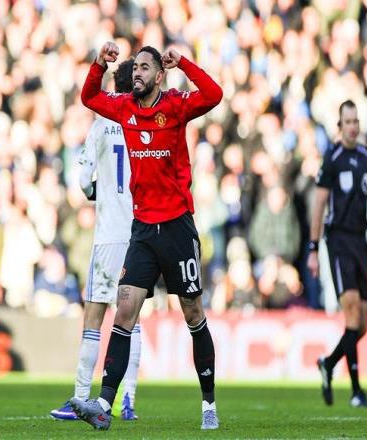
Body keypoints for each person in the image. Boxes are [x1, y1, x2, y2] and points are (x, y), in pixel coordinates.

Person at [69, 42, 223, 431]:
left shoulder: (176, 106)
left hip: (176, 227)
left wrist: (184, 62)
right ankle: (103, 403)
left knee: (193, 312)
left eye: (144, 67)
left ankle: (208, 403)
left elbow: (214, 94)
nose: (136, 72)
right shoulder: (125, 109)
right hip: (142, 230)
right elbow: (89, 97)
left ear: (159, 75)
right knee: (124, 311)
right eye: (134, 67)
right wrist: (99, 64)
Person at [50, 59, 142, 421]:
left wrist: (97, 192)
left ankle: (79, 397)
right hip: (139, 235)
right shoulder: (143, 123)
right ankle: (128, 399)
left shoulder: (103, 123)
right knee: (132, 318)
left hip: (108, 237)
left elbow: (82, 180)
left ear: (113, 87)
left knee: (94, 317)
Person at [308, 100, 367, 407]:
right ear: (340, 126)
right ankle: (356, 391)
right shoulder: (332, 158)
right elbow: (319, 205)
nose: (353, 127)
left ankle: (328, 363)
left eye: (356, 121)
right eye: (348, 122)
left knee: (363, 322)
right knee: (352, 311)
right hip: (338, 240)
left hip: (360, 240)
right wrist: (314, 248)